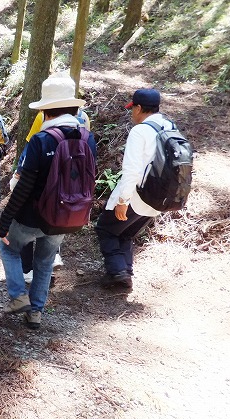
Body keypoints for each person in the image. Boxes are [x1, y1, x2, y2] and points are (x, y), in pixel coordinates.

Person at [0, 75, 96, 329]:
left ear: (46, 111)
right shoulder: (88, 139)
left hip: (34, 215)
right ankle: (35, 313)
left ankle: (19, 296)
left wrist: (6, 219)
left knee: (8, 246)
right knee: (44, 262)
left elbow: (25, 186)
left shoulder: (41, 140)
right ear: (74, 108)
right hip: (67, 216)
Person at [11, 72, 90, 284]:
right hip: (70, 199)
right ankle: (52, 260)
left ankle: (26, 273)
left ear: (46, 106)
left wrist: (18, 174)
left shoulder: (42, 123)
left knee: (22, 230)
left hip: (41, 196)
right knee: (52, 234)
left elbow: (30, 148)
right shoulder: (85, 123)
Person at [94, 88, 166, 290]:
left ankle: (118, 272)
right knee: (125, 233)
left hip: (138, 195)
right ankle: (125, 272)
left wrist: (122, 201)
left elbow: (132, 170)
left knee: (105, 229)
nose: (131, 113)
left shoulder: (140, 131)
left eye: (132, 108)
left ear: (140, 108)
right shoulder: (169, 127)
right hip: (161, 199)